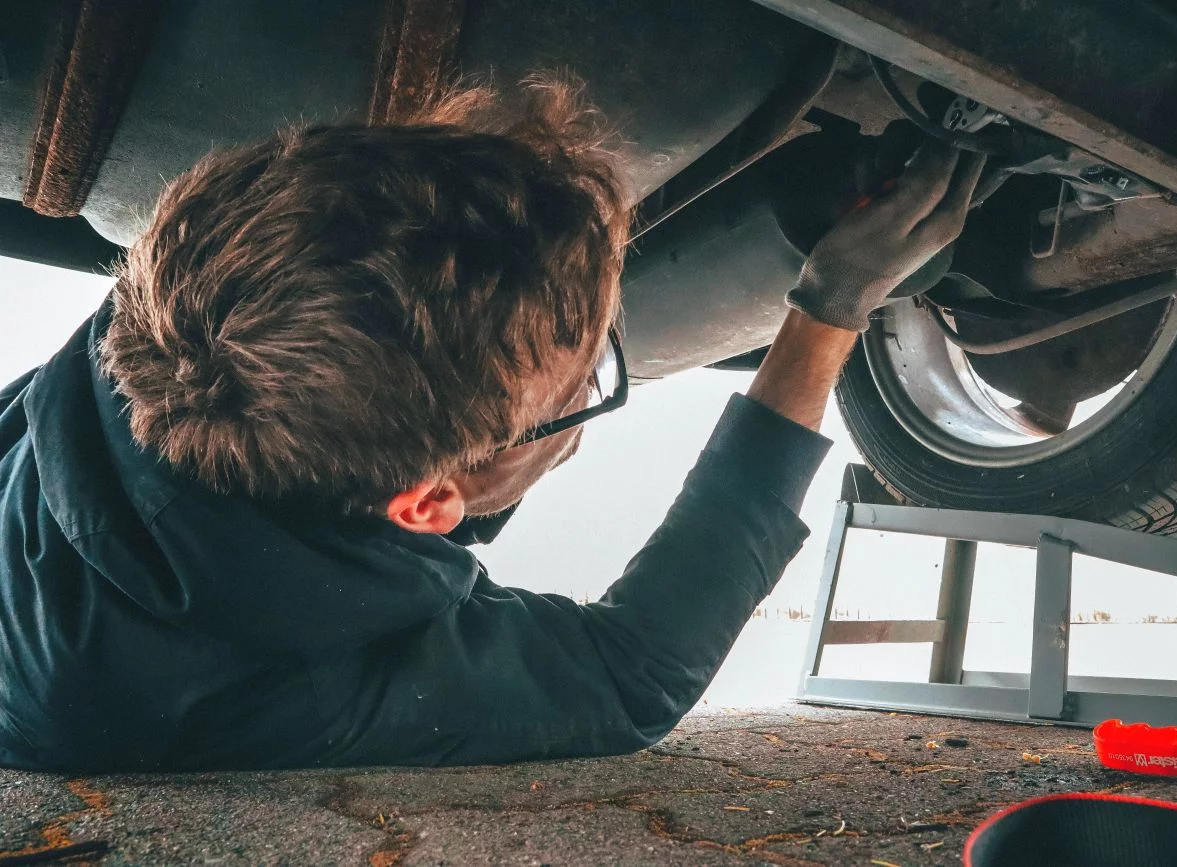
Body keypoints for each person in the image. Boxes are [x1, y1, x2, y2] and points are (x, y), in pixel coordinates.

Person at [0, 80, 984, 772]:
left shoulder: (192, 306)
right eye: (584, 385)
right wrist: (827, 310)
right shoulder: (258, 689)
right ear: (427, 503)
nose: (590, 396)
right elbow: (633, 674)